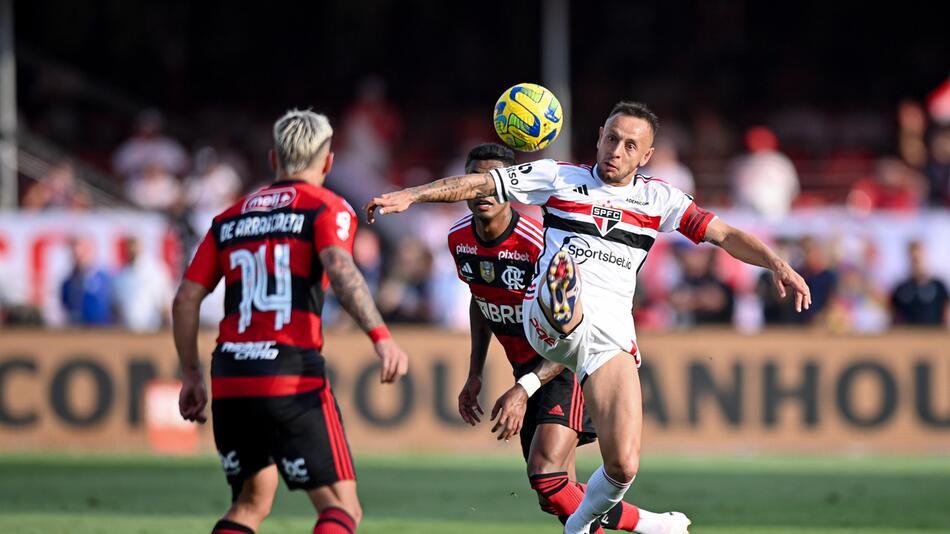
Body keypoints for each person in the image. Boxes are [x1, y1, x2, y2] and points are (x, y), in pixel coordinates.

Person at [366, 101, 812, 534]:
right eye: (611, 139)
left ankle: (581, 527)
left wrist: (778, 264)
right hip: (548, 320)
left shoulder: (659, 200)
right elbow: (482, 185)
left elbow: (725, 234)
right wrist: (412, 195)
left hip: (608, 339)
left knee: (622, 466)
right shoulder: (557, 177)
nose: (617, 151)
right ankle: (562, 287)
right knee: (566, 279)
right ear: (599, 138)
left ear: (647, 155)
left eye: (630, 146)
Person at [173, 109, 409, 534]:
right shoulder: (327, 207)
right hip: (289, 373)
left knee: (248, 504)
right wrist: (381, 336)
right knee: (341, 508)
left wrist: (191, 375)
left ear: (272, 159)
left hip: (230, 374)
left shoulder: (229, 218)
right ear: (328, 162)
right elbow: (339, 268)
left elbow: (187, 298)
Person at [451, 143, 653, 533]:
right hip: (525, 371)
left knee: (546, 474)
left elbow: (572, 323)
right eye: (477, 183)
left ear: (511, 189)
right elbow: (480, 299)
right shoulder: (458, 238)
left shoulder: (537, 243)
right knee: (556, 496)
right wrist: (474, 372)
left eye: (493, 185)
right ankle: (653, 524)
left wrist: (523, 389)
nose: (484, 194)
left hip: (563, 365)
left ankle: (646, 524)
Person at [890, 241, 949, 326]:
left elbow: (946, 314)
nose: (917, 263)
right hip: (907, 337)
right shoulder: (901, 288)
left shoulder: (939, 286)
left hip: (933, 336)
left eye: (919, 258)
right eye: (914, 259)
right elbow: (893, 313)